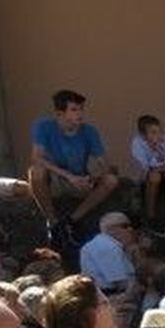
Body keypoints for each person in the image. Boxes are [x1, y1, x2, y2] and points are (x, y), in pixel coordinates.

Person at [27, 89, 121, 243]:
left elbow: (104, 164)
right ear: (60, 113)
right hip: (56, 180)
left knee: (111, 180)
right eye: (74, 110)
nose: (80, 114)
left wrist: (91, 178)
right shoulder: (43, 126)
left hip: (79, 181)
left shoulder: (89, 131)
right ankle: (52, 222)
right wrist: (68, 176)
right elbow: (36, 157)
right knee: (36, 171)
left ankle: (71, 221)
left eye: (81, 109)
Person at [130, 114, 165, 234]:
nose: (158, 135)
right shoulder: (137, 144)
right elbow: (144, 166)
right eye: (153, 132)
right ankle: (151, 217)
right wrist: (154, 151)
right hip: (150, 180)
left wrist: (163, 164)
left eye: (160, 131)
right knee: (154, 177)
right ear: (143, 135)